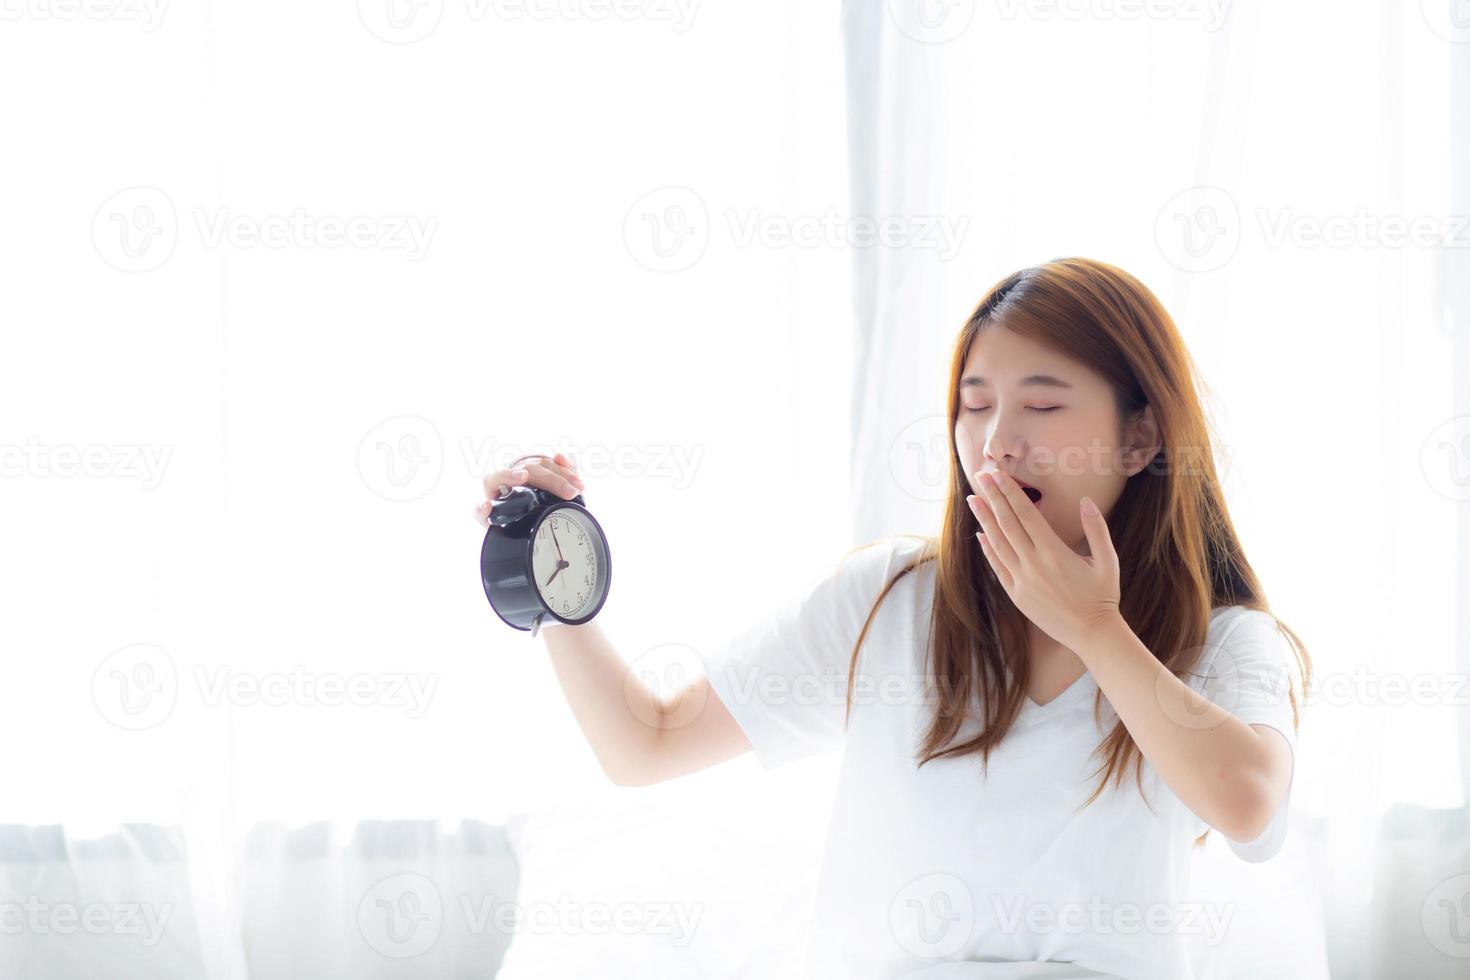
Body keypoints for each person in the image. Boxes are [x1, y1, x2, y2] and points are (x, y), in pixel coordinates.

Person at [474, 256, 1310, 980]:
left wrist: (1097, 628)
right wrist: (552, 578)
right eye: (975, 407)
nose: (997, 443)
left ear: (1139, 440)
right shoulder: (891, 601)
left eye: (1044, 407)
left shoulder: (1226, 641)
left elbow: (1248, 805)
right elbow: (644, 743)